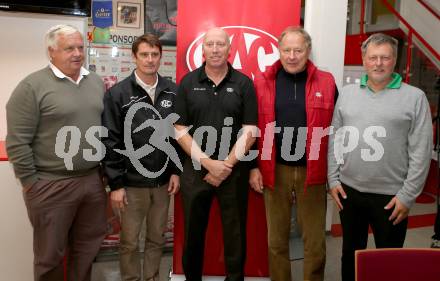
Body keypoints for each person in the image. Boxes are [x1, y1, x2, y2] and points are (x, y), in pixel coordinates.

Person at [327, 33, 432, 281]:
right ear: (364, 60)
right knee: (350, 255)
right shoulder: (348, 93)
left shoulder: (415, 97)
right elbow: (335, 138)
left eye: (385, 57)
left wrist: (408, 195)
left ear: (394, 60)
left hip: (392, 197)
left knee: (389, 260)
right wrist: (333, 179)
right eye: (373, 57)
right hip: (349, 192)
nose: (378, 63)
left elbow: (421, 151)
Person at [6, 24, 107, 281]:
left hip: (91, 182)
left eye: (80, 47)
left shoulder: (94, 81)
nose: (77, 53)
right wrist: (31, 184)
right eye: (69, 48)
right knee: (50, 256)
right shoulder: (32, 87)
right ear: (51, 52)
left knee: (87, 250)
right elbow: (17, 141)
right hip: (51, 184)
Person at [249, 26, 338, 281]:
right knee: (276, 240)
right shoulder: (263, 81)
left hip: (314, 171)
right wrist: (254, 166)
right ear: (279, 50)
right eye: (286, 50)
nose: (291, 56)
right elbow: (252, 129)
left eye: (298, 50)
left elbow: (338, 129)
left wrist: (335, 172)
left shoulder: (327, 81)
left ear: (308, 51)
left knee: (315, 243)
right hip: (274, 170)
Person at [174, 27, 257, 281]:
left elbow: (250, 131)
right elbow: (179, 130)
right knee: (193, 233)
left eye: (221, 44)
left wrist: (226, 166)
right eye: (210, 44)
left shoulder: (244, 83)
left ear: (229, 49)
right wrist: (209, 164)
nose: (215, 49)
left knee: (235, 233)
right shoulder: (188, 82)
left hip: (233, 171)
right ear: (203, 48)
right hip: (196, 170)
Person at [101, 33, 180, 281]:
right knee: (129, 242)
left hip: (162, 182)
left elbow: (178, 134)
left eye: (154, 54)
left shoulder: (173, 91)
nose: (149, 60)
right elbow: (110, 139)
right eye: (144, 54)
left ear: (161, 57)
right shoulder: (118, 94)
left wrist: (176, 170)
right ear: (134, 57)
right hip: (131, 184)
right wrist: (116, 184)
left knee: (157, 238)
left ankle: (152, 278)